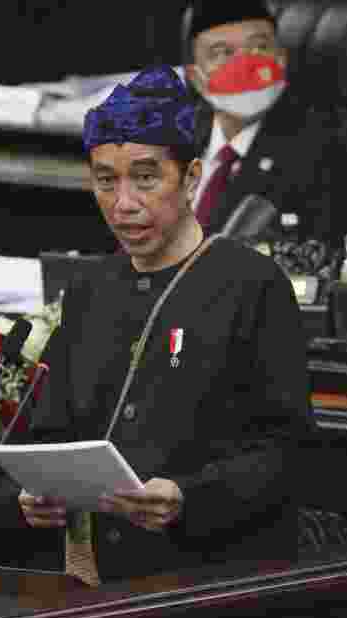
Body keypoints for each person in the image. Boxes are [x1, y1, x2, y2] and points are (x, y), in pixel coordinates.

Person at [16, 64, 318, 586]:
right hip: (92, 577)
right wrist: (36, 492)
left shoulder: (252, 285)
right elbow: (51, 430)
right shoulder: (91, 286)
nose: (124, 203)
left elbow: (289, 456)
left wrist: (189, 498)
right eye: (105, 181)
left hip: (209, 579)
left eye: (146, 178)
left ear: (193, 177)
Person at [183, 0, 347, 263]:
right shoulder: (166, 139)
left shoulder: (319, 153)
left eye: (259, 47)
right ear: (197, 78)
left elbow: (320, 267)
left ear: (282, 59)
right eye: (222, 53)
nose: (245, 65)